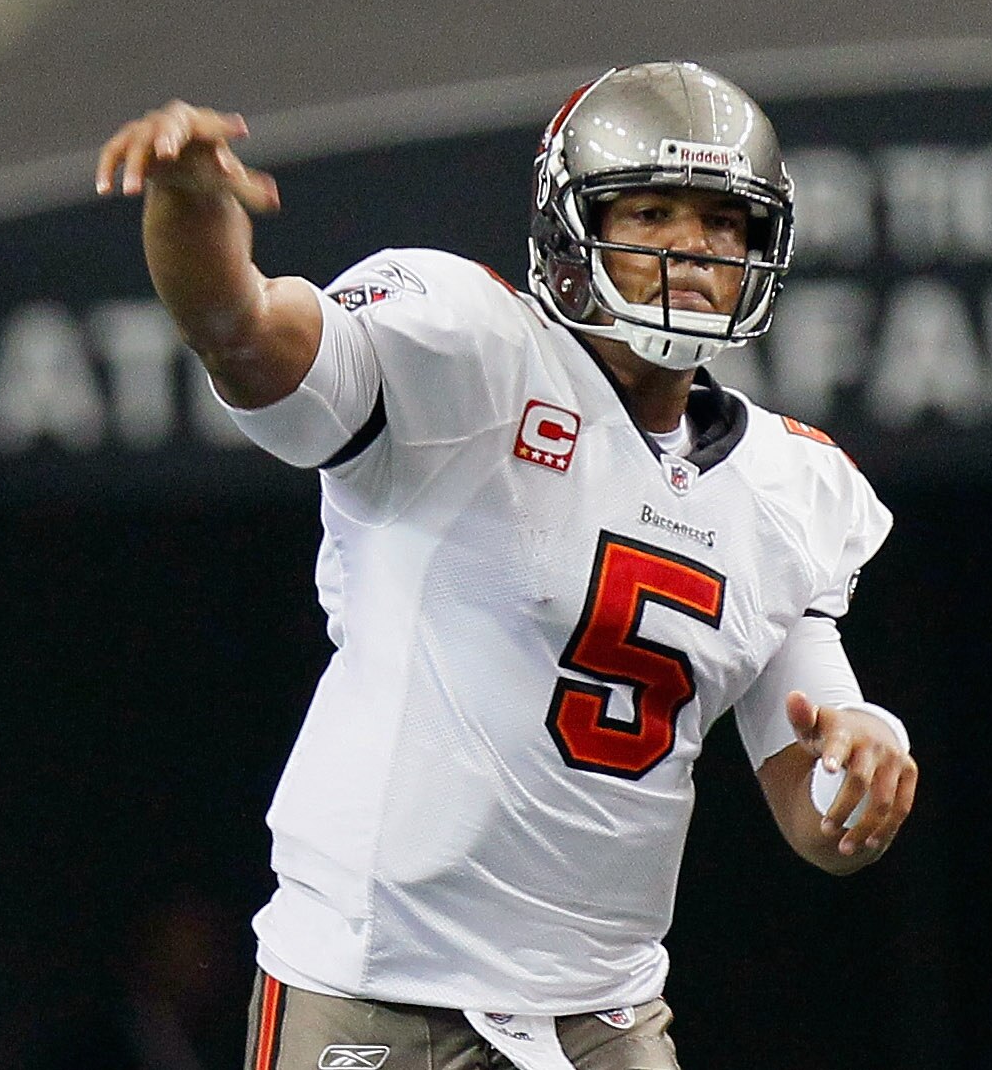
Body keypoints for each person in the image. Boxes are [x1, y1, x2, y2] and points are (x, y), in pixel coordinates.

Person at [95, 60, 919, 1070]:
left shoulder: (790, 487)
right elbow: (244, 335)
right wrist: (191, 211)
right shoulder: (469, 349)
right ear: (571, 230)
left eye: (724, 221)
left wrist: (865, 758)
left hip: (603, 1013)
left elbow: (820, 802)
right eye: (652, 211)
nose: (693, 246)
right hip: (375, 984)